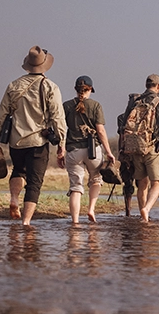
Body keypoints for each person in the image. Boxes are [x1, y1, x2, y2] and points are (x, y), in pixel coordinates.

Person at [0, 45, 67, 227]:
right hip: (38, 140)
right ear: (44, 66)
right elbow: (58, 117)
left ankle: (14, 198)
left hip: (16, 140)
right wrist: (62, 143)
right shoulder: (50, 86)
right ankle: (26, 222)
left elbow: (1, 113)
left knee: (18, 170)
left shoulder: (13, 85)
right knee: (34, 183)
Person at [121, 74, 159, 222]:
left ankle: (144, 217)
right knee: (157, 182)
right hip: (152, 148)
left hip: (134, 148)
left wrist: (124, 148)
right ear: (158, 86)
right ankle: (146, 209)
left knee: (142, 183)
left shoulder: (134, 100)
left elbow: (124, 124)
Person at [62, 75, 115, 223]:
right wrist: (109, 152)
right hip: (93, 150)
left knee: (75, 187)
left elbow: (59, 128)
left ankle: (75, 221)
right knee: (96, 179)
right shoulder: (96, 105)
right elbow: (101, 131)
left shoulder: (66, 106)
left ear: (75, 89)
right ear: (90, 89)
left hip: (73, 150)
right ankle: (91, 209)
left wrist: (61, 150)